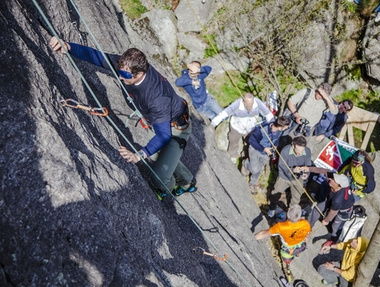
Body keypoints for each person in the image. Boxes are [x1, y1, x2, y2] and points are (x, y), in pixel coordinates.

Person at [49, 37, 195, 199]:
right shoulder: (128, 66)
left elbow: (164, 135)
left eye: (124, 75)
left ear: (140, 73)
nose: (120, 77)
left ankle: (167, 188)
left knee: (158, 176)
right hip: (163, 119)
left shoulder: (156, 98)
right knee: (159, 155)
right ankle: (187, 180)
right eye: (120, 72)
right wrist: (69, 46)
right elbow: (97, 57)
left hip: (176, 129)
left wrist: (138, 155)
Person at [211, 93, 274, 163]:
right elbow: (224, 114)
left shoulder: (257, 103)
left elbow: (268, 115)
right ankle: (233, 155)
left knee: (250, 142)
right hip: (236, 128)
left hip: (250, 128)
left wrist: (272, 125)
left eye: (252, 103)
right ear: (243, 101)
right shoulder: (237, 105)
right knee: (233, 141)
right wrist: (213, 124)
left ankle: (245, 155)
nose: (251, 106)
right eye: (248, 104)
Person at [241, 116, 291, 194]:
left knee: (260, 168)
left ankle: (253, 183)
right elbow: (251, 140)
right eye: (285, 127)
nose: (285, 129)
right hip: (256, 149)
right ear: (280, 126)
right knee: (254, 169)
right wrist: (264, 149)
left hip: (266, 153)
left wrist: (275, 146)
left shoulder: (279, 131)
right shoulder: (262, 129)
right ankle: (246, 163)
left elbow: (277, 140)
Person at [268, 136, 312, 215]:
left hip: (298, 179)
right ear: (293, 145)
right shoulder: (285, 150)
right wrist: (292, 170)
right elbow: (281, 166)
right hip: (284, 177)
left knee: (296, 198)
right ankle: (271, 207)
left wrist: (305, 174)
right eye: (298, 151)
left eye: (302, 151)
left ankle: (290, 214)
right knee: (276, 193)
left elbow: (308, 165)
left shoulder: (307, 151)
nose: (300, 153)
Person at [306, 173, 354, 243]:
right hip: (330, 200)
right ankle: (307, 226)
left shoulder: (338, 199)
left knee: (335, 226)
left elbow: (333, 212)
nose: (331, 179)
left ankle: (333, 239)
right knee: (317, 209)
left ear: (339, 185)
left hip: (343, 210)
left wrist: (326, 220)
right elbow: (324, 171)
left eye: (334, 180)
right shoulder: (339, 184)